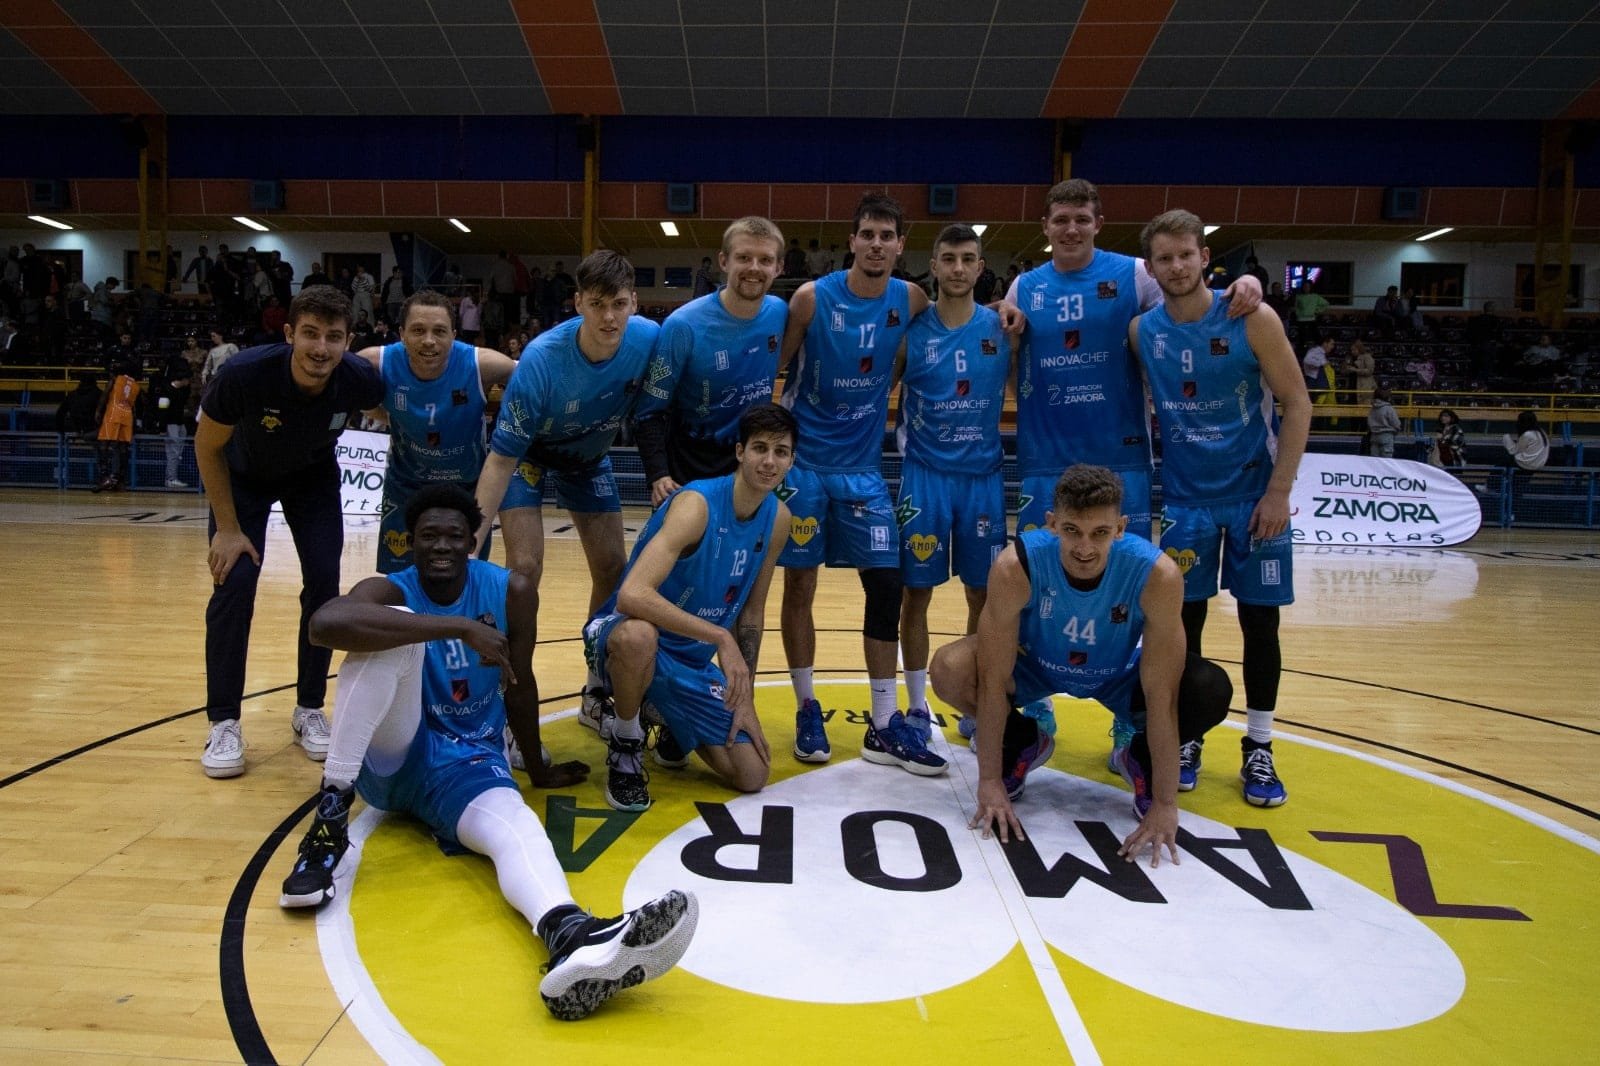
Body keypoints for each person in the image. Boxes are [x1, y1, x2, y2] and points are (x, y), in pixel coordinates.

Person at [276, 484, 698, 1021]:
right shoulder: (390, 586)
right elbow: (323, 625)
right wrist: (457, 626)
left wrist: (537, 767)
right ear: (410, 542)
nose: (442, 546)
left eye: (454, 535)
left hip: (469, 762)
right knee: (388, 634)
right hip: (398, 750)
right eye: (429, 536)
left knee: (516, 827)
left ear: (473, 540)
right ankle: (328, 827)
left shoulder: (510, 589)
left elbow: (519, 683)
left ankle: (571, 935)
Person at [930, 465, 1233, 859]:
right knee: (950, 668)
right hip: (1037, 666)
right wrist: (988, 781)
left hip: (1119, 674)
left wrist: (1165, 804)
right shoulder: (1015, 566)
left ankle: (1139, 756)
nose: (1085, 547)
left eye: (1100, 533)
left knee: (1208, 688)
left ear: (1120, 528)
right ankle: (1021, 741)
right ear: (1052, 523)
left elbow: (1163, 698)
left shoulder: (1157, 575)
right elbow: (992, 680)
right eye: (1072, 530)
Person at [1130, 209, 1311, 807]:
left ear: (1205, 257)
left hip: (1255, 497)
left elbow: (1297, 403)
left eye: (1186, 254)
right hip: (1187, 502)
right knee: (1184, 627)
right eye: (1164, 258)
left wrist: (1279, 492)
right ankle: (1189, 736)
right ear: (1151, 267)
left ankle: (1260, 745)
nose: (1177, 266)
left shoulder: (1251, 316)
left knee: (1261, 624)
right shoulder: (1142, 331)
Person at [774, 191, 942, 773]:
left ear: (900, 245)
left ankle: (884, 721)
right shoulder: (810, 299)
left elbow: (952, 327)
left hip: (864, 471)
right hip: (805, 468)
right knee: (800, 587)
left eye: (886, 236)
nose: (876, 244)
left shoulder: (911, 299)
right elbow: (775, 369)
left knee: (887, 586)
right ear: (851, 241)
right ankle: (806, 706)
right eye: (866, 234)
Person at [193, 286, 384, 779]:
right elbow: (206, 447)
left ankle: (309, 709)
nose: (321, 347)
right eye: (310, 334)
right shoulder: (244, 374)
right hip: (243, 479)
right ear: (289, 334)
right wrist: (227, 529)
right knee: (234, 583)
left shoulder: (358, 379)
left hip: (311, 479)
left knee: (324, 585)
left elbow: (388, 413)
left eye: (333, 337)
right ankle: (224, 722)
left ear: (348, 341)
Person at [1003, 179, 1262, 542]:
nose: (1071, 229)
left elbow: (1189, 307)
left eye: (1082, 219)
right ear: (1045, 226)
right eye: (1061, 220)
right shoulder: (1023, 288)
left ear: (1099, 224)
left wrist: (1247, 282)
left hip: (1122, 457)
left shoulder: (1137, 272)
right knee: (1041, 567)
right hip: (1046, 459)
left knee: (1125, 568)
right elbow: (1015, 368)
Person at [471, 251, 660, 725]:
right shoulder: (541, 361)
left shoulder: (650, 340)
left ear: (635, 302)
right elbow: (499, 462)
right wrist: (471, 546)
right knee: (523, 569)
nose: (609, 317)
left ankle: (595, 690)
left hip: (588, 459)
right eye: (597, 304)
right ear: (577, 303)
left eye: (619, 304)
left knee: (613, 568)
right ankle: (509, 694)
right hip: (528, 458)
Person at [584, 404, 795, 810]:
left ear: (791, 461)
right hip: (620, 634)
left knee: (752, 774)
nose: (769, 461)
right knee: (639, 636)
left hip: (688, 660)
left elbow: (751, 615)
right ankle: (626, 747)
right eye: (760, 448)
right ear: (740, 452)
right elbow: (632, 595)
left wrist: (745, 698)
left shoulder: (778, 519)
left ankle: (662, 712)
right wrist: (719, 637)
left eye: (781, 452)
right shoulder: (697, 504)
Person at [891, 224, 1014, 740]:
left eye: (968, 259)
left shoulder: (1004, 328)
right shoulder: (910, 332)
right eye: (949, 258)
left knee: (982, 597)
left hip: (982, 480)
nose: (958, 268)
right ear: (934, 266)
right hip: (924, 478)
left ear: (980, 267)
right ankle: (917, 705)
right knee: (915, 596)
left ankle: (974, 699)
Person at [355, 290, 519, 574]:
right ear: (402, 334)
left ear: (453, 335)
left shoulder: (484, 364)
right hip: (406, 483)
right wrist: (388, 416)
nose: (429, 340)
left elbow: (536, 379)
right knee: (401, 580)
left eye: (439, 331)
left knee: (462, 576)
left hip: (466, 486)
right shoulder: (373, 362)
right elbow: (351, 395)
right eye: (418, 330)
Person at [633, 216, 788, 511]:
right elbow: (648, 412)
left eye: (765, 260)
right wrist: (658, 474)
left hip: (748, 467)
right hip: (687, 468)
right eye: (744, 257)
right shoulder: (683, 326)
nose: (754, 268)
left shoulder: (779, 312)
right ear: (724, 261)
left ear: (779, 268)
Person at [93, 360, 141, 492]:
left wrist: (98, 410)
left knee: (104, 444)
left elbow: (105, 394)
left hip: (114, 413)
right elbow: (133, 406)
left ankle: (105, 477)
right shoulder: (136, 386)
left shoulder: (116, 379)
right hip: (127, 416)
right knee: (123, 448)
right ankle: (120, 480)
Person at [150, 348, 193, 488]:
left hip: (179, 423)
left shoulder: (182, 391)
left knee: (178, 452)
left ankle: (173, 477)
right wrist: (162, 427)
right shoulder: (166, 391)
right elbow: (162, 410)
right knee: (172, 452)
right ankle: (170, 479)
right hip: (170, 424)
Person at [1368, 386, 1402, 458]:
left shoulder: (1372, 409)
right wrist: (1397, 430)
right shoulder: (1388, 408)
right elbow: (1396, 423)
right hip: (1386, 436)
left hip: (1374, 436)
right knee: (1386, 461)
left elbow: (1369, 421)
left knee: (1374, 461)